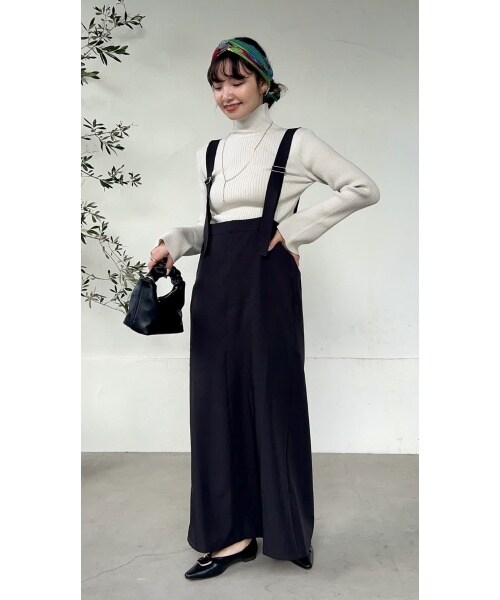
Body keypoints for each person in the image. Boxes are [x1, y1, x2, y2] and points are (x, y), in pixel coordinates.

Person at [148, 37, 380, 580]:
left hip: (268, 285)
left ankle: (288, 529)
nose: (226, 93)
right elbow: (213, 229)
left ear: (264, 83)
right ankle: (232, 537)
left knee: (275, 399)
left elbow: (362, 187)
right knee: (216, 406)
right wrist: (174, 241)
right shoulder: (211, 152)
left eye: (237, 80)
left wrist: (294, 230)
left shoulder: (296, 143)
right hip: (215, 289)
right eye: (217, 84)